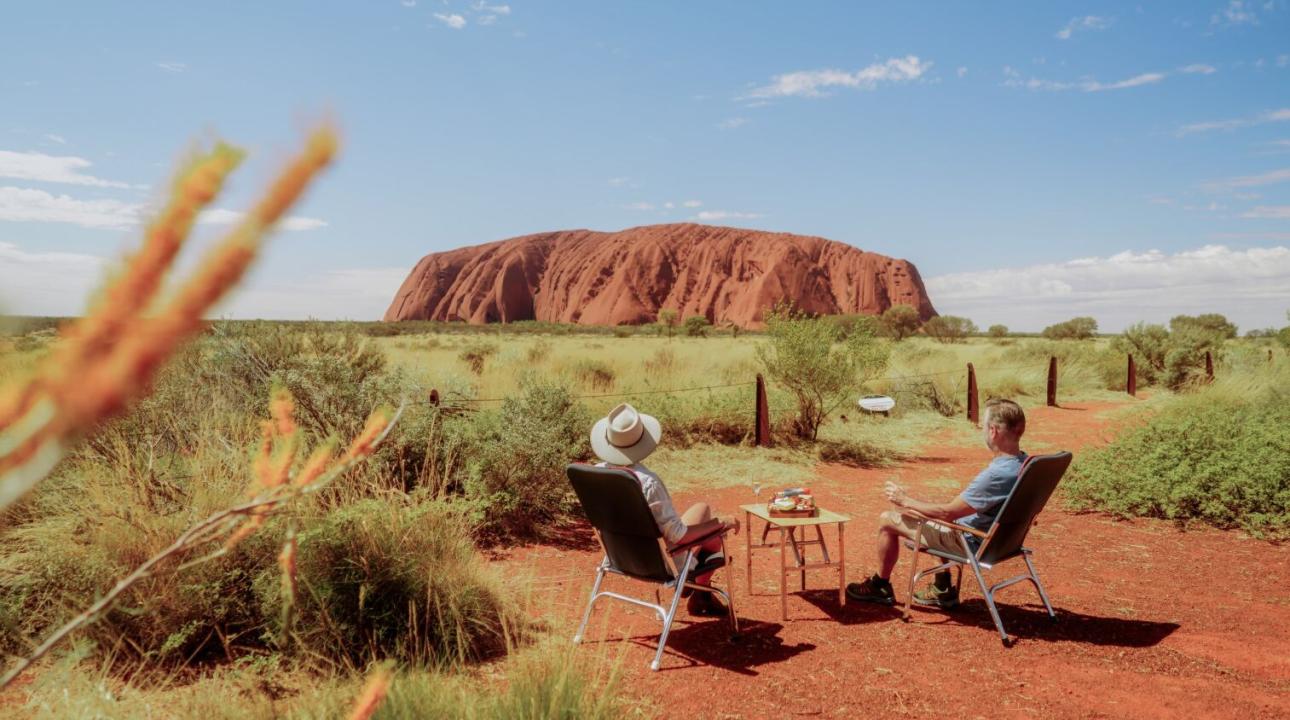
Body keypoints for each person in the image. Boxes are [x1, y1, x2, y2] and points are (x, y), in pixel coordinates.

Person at [846, 398, 1028, 609]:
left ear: (994, 431)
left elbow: (946, 514)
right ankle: (942, 588)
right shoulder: (1025, 464)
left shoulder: (997, 474)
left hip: (973, 542)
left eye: (984, 427)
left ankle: (880, 585)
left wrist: (904, 500)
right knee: (928, 515)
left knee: (888, 520)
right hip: (1005, 542)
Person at [590, 403, 739, 616]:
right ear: (642, 440)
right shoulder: (646, 482)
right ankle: (699, 592)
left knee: (702, 508)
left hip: (619, 555)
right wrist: (723, 522)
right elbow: (677, 535)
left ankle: (699, 594)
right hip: (663, 563)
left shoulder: (595, 474)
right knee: (716, 535)